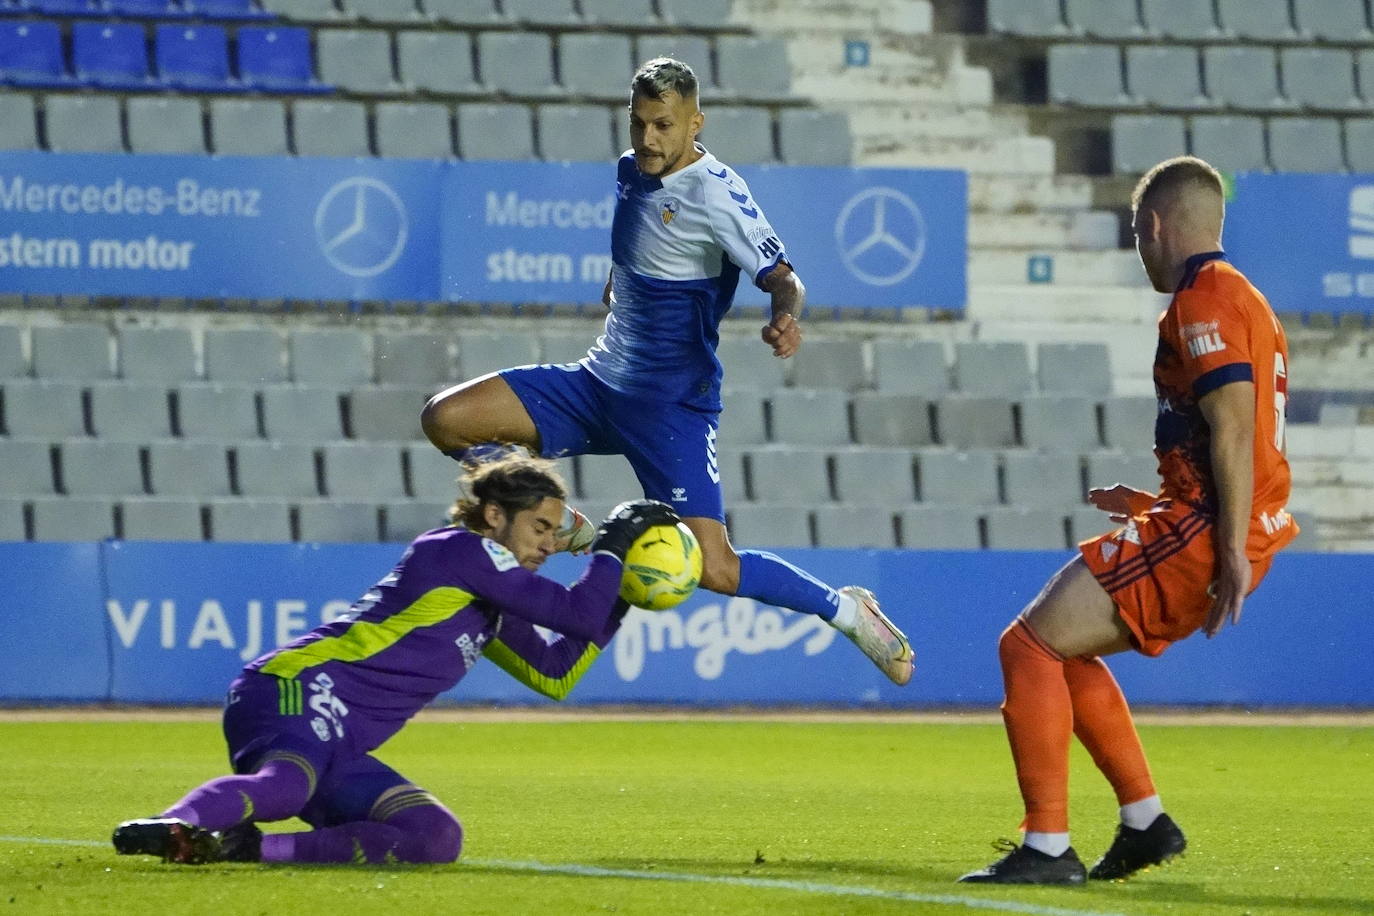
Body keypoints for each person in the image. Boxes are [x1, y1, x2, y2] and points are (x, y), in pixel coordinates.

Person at [420, 57, 913, 686]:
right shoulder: (631, 169)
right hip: (596, 386)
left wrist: (785, 316)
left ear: (694, 123)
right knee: (446, 420)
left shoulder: (718, 194)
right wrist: (618, 279)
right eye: (639, 124)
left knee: (717, 570)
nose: (648, 139)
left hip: (670, 410)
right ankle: (570, 527)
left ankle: (850, 613)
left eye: (663, 125)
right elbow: (641, 239)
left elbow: (784, 278)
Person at [960, 156, 1297, 885]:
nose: (1140, 250)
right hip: (1211, 520)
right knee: (1063, 651)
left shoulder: (1202, 301)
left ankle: (1047, 847)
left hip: (1212, 529)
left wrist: (1227, 547)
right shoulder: (1247, 299)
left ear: (1153, 227)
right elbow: (1237, 440)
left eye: (1139, 237)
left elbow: (1234, 429)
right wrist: (1157, 506)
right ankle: (1144, 822)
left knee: (1027, 647)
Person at [111, 457, 679, 865]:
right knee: (283, 788)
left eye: (555, 533)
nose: (549, 545)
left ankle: (250, 848)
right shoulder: (458, 550)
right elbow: (577, 613)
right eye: (539, 528)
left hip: (338, 741)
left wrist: (623, 595)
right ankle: (174, 824)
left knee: (434, 837)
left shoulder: (489, 601)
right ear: (491, 517)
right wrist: (613, 545)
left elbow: (556, 673)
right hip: (294, 686)